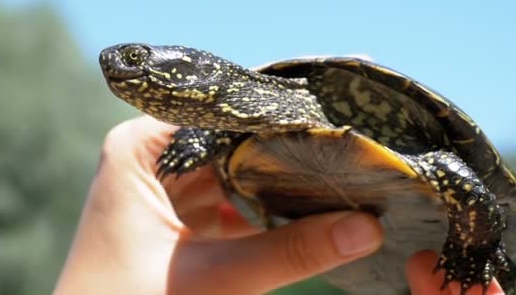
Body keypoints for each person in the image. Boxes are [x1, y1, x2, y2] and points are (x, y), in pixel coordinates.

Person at [54, 116, 504, 295]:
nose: (121, 66)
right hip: (388, 267)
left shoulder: (324, 101)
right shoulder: (225, 126)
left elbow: (458, 173)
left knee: (459, 187)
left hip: (468, 240)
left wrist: (475, 244)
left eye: (138, 60)